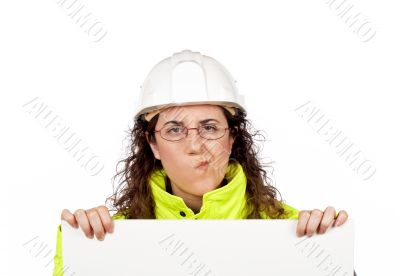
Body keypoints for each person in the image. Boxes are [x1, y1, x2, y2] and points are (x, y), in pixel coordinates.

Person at [52, 50, 349, 276]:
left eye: (209, 127)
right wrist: (82, 251)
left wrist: (331, 255)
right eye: (174, 130)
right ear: (152, 144)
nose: (195, 146)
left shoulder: (295, 230)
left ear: (232, 137)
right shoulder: (109, 238)